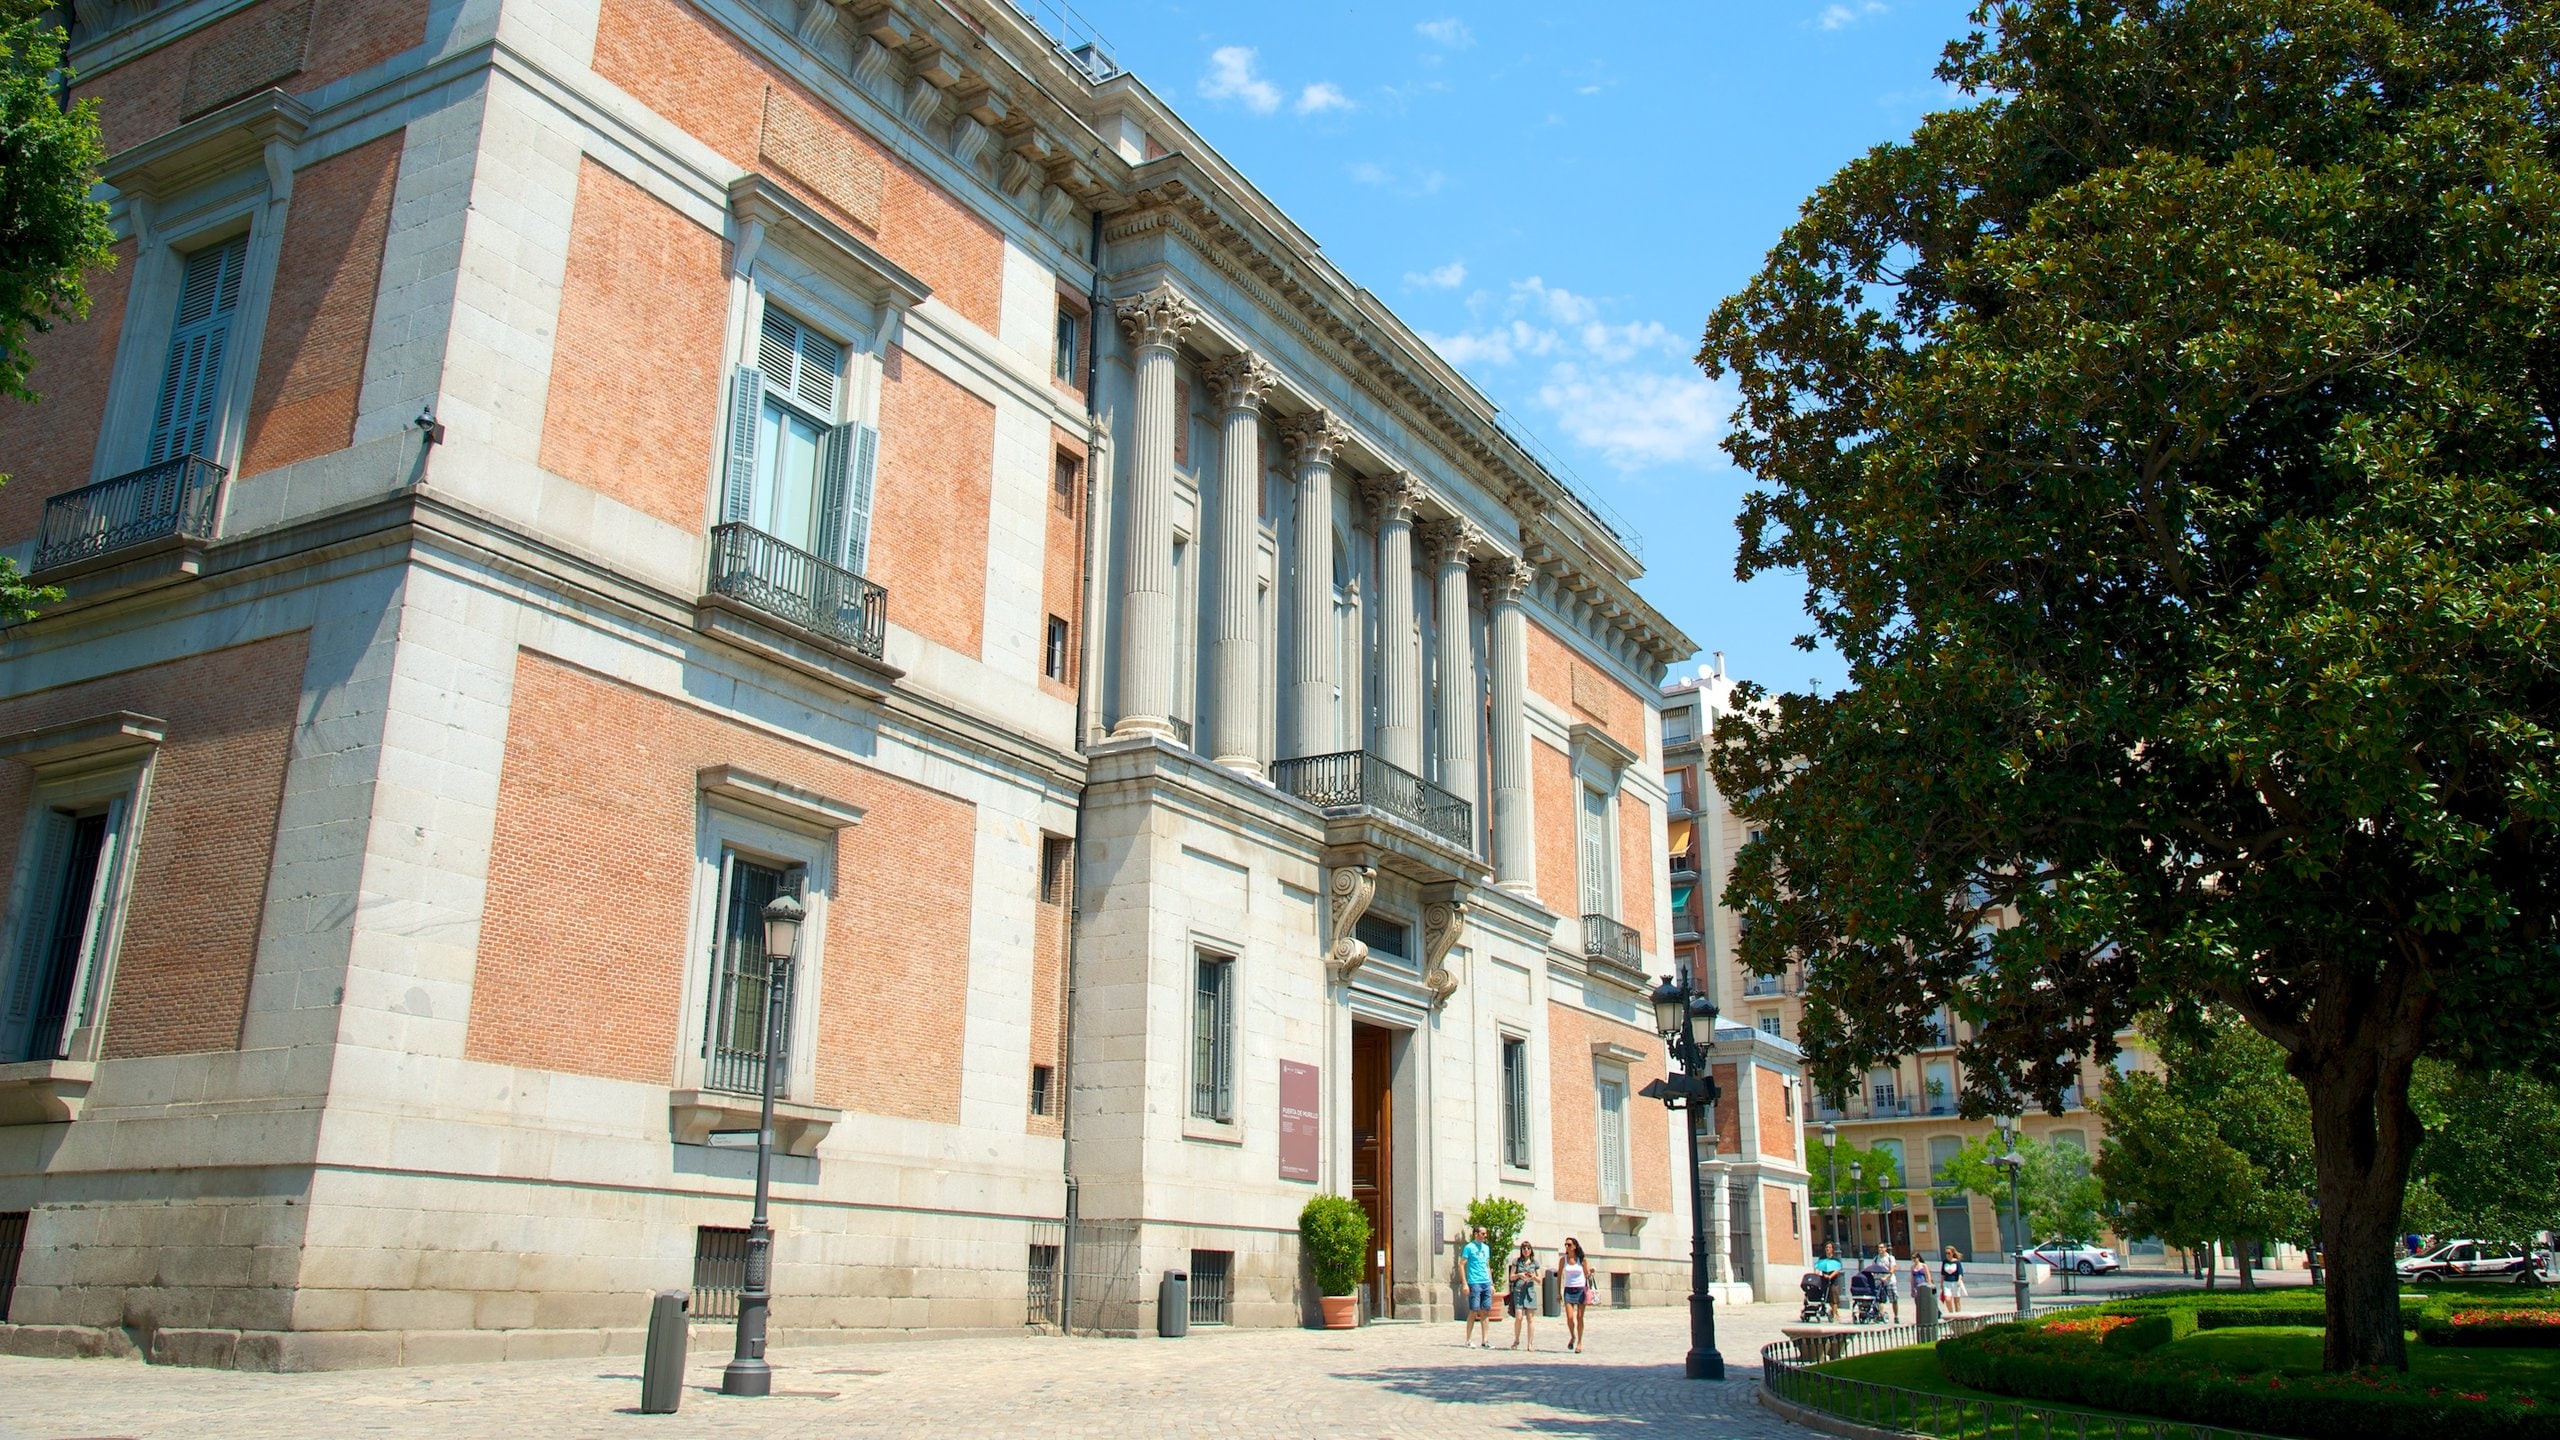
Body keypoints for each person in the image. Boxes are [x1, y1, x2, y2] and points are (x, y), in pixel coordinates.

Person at [1460, 1226, 1495, 1347]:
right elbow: (1461, 1265)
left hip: (1485, 1282)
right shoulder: (1469, 1247)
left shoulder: (1486, 1248)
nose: (1485, 1236)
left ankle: (1485, 1340)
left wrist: (1491, 1283)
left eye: (1486, 1233)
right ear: (1476, 1234)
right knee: (1474, 1310)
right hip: (1474, 1282)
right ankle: (1468, 1339)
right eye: (1483, 1233)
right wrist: (1465, 1283)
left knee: (1485, 1311)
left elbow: (1487, 1265)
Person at [1507, 1240, 1543, 1350]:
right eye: (1524, 1248)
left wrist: (1533, 1277)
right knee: (1518, 1317)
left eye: (1528, 1248)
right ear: (1521, 1250)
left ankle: (1530, 1343)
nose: (1526, 1250)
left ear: (1531, 1250)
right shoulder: (1517, 1262)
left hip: (1530, 1292)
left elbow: (1540, 1280)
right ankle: (1516, 1340)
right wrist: (1519, 1275)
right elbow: (1511, 1277)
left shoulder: (1534, 1263)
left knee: (1530, 1318)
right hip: (1519, 1291)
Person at [1558, 1237, 1591, 1352]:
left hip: (1581, 1289)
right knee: (1570, 1317)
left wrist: (1591, 1272)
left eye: (1569, 1245)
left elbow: (1587, 1275)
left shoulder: (1581, 1260)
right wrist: (1558, 1292)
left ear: (1575, 1246)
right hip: (1568, 1289)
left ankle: (1580, 1343)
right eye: (1565, 1245)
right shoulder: (1563, 1260)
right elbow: (1559, 1276)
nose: (1567, 1247)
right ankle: (1572, 1335)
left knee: (1580, 1317)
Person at [1814, 1242, 1845, 1321]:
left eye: (1829, 1247)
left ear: (1832, 1249)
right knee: (1827, 1298)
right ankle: (1835, 1312)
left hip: (1833, 1281)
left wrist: (1830, 1276)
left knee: (1834, 1298)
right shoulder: (1822, 1258)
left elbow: (1837, 1270)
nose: (1828, 1249)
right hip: (1824, 1280)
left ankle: (1835, 1314)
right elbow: (1817, 1267)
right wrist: (1816, 1273)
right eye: (1826, 1247)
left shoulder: (1835, 1259)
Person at [1871, 1246, 1901, 1323]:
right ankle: (1881, 1315)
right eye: (1879, 1248)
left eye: (1882, 1248)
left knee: (1894, 1300)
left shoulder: (1890, 1258)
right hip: (1880, 1282)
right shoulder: (1876, 1258)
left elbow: (1893, 1269)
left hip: (1890, 1281)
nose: (1880, 1249)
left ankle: (1896, 1316)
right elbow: (1873, 1268)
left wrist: (1886, 1277)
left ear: (1885, 1248)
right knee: (1880, 1299)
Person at [1940, 1246, 1967, 1313]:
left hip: (1955, 1282)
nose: (1947, 1255)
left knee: (1956, 1301)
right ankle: (1951, 1313)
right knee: (1948, 1299)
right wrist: (1941, 1283)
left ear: (1952, 1253)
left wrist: (1959, 1280)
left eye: (1949, 1253)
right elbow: (1943, 1273)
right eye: (1946, 1253)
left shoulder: (1957, 1262)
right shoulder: (1944, 1262)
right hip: (1947, 1282)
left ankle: (1958, 1315)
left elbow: (1960, 1273)